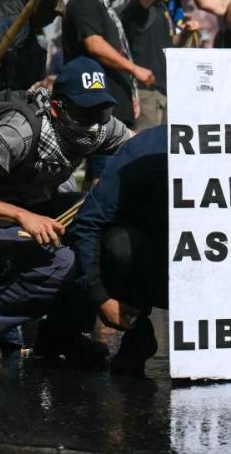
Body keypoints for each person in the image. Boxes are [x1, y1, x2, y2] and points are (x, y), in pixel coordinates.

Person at [0, 57, 131, 363]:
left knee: (104, 235)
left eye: (102, 111)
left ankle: (61, 336)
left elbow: (140, 147)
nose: (95, 122)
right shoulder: (20, 132)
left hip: (39, 210)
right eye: (86, 113)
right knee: (67, 261)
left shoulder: (98, 127)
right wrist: (21, 216)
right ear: (58, 109)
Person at [69, 125, 169, 375]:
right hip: (158, 264)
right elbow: (89, 222)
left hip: (229, 271)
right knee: (118, 244)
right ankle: (136, 332)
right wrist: (100, 297)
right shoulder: (146, 147)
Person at [120, 0, 199, 130]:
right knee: (145, 155)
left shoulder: (161, 9)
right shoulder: (136, 7)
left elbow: (168, 43)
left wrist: (184, 35)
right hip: (145, 94)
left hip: (163, 92)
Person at [62, 0, 150, 132]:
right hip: (99, 108)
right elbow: (94, 44)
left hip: (117, 107)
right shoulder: (85, 0)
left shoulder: (105, 7)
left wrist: (131, 93)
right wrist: (134, 69)